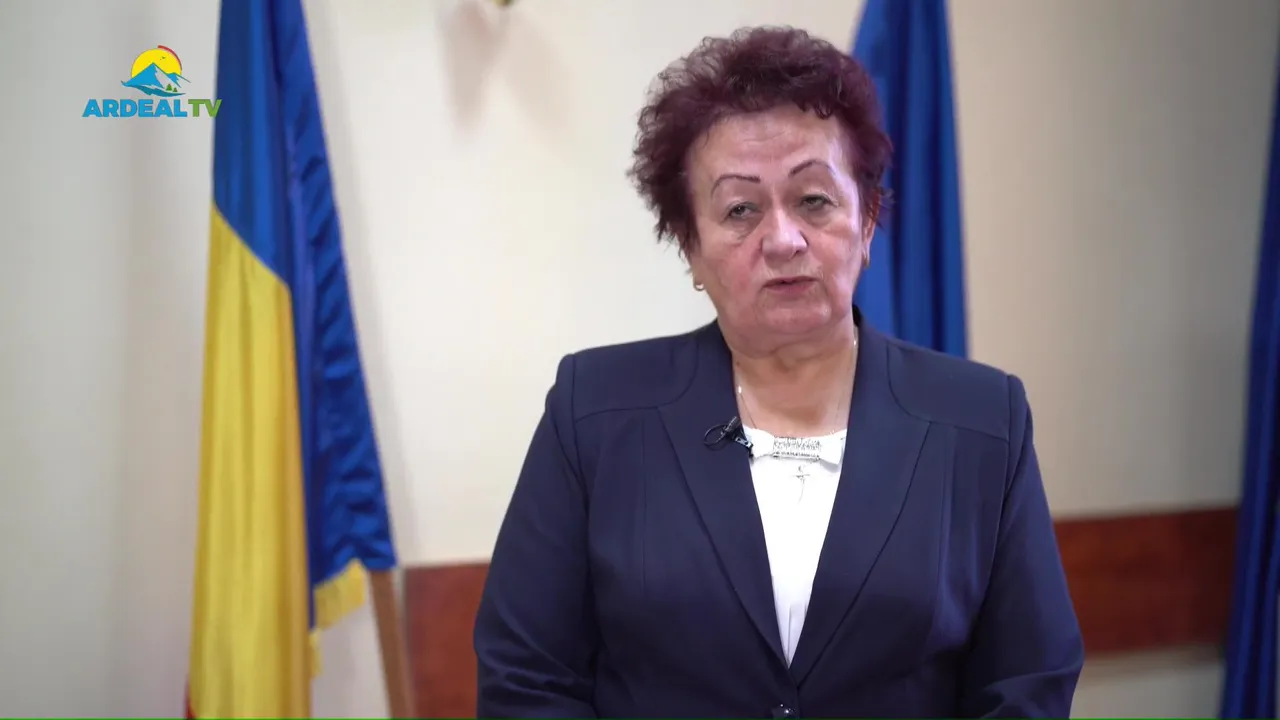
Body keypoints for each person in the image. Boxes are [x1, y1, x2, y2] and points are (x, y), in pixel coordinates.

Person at [473, 25, 1084, 719]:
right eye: (740, 209)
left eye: (814, 200)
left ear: (868, 221)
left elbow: (1027, 685)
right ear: (690, 247)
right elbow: (527, 682)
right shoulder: (595, 413)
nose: (785, 240)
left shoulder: (981, 420)